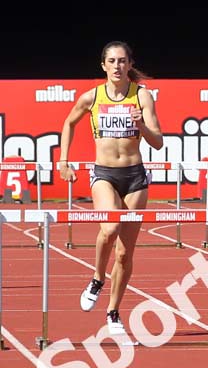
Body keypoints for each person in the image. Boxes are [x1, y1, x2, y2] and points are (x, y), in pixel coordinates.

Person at [59, 41, 163, 336]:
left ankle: (114, 311)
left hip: (135, 177)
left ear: (130, 64)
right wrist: (64, 161)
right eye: (112, 61)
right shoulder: (92, 97)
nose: (117, 66)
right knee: (109, 229)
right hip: (104, 173)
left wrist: (141, 125)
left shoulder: (142, 96)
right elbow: (69, 123)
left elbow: (158, 141)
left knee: (125, 255)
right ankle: (96, 277)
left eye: (122, 61)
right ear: (103, 65)